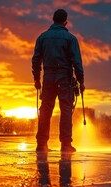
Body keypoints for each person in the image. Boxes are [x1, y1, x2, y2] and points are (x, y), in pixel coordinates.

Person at [32, 9, 85, 152]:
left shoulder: (42, 38)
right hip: (64, 76)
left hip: (48, 76)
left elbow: (36, 60)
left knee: (45, 110)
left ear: (52, 19)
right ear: (65, 22)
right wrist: (81, 81)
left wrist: (37, 79)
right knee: (66, 110)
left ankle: (41, 144)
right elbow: (77, 62)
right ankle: (66, 144)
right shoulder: (71, 39)